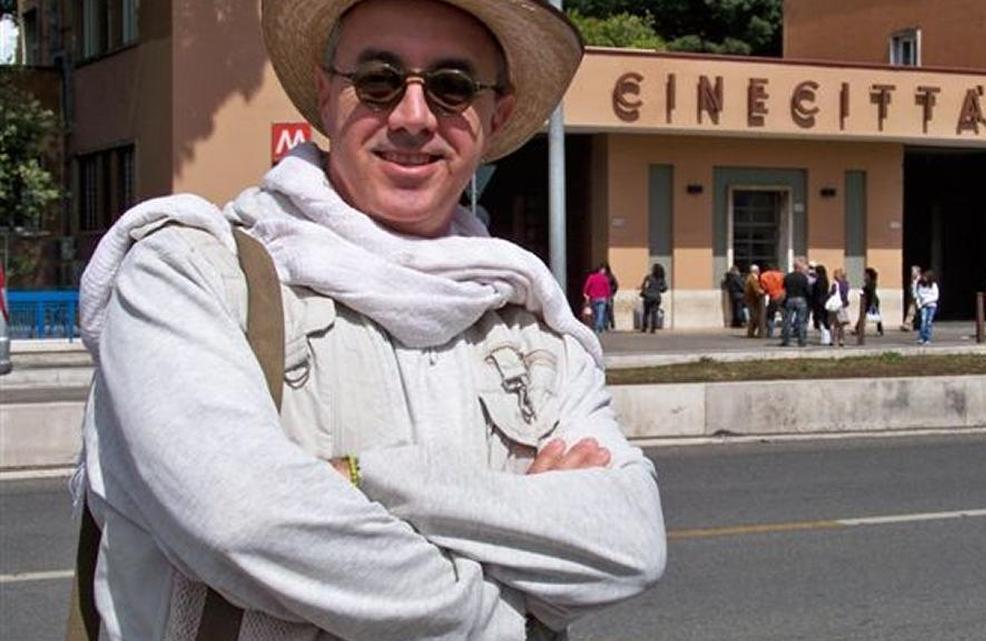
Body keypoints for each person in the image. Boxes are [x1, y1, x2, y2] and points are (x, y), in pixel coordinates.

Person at [71, 2, 666, 640]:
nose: (413, 117)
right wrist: (498, 618)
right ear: (326, 95)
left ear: (495, 115)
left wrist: (364, 479)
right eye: (378, 81)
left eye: (452, 87)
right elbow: (246, 518)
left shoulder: (532, 323)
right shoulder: (189, 273)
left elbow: (628, 542)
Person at [781, 257, 810, 347]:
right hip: (801, 299)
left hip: (790, 298)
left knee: (787, 321)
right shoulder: (803, 277)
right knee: (801, 321)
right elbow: (807, 290)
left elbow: (784, 288)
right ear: (800, 267)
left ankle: (786, 340)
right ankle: (801, 341)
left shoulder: (788, 277)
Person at [583, 264, 611, 334]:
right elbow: (608, 288)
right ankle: (598, 327)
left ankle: (597, 327)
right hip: (603, 298)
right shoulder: (605, 278)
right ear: (601, 270)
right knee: (600, 313)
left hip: (594, 298)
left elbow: (587, 286)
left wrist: (585, 293)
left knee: (595, 313)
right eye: (603, 270)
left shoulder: (591, 277)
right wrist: (608, 296)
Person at [640, 263, 668, 333]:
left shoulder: (648, 277)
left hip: (648, 297)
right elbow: (665, 288)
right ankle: (653, 329)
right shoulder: (661, 278)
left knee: (646, 313)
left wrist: (644, 292)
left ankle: (644, 327)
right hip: (656, 298)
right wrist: (659, 289)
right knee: (654, 313)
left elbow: (644, 286)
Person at [759, 263, 785, 338]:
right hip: (782, 296)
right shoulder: (782, 275)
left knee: (770, 315)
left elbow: (764, 288)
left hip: (773, 296)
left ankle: (770, 333)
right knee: (784, 316)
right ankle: (784, 332)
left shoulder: (764, 275)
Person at [916, 269, 940, 345]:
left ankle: (927, 338)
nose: (924, 278)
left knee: (929, 322)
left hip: (931, 305)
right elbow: (919, 295)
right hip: (923, 306)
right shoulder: (920, 285)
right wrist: (919, 303)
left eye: (926, 277)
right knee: (923, 321)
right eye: (924, 277)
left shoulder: (934, 285)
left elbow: (935, 297)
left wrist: (926, 300)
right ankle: (921, 337)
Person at [828, 267, 851, 347]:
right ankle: (841, 340)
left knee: (832, 323)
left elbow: (832, 294)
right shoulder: (846, 284)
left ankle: (832, 340)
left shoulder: (835, 284)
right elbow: (845, 295)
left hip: (834, 306)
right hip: (842, 305)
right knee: (841, 324)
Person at [811, 263, 831, 345]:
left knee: (820, 319)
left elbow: (816, 291)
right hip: (824, 301)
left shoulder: (818, 281)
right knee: (824, 319)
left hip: (818, 302)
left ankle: (825, 338)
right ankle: (826, 338)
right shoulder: (825, 279)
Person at [862, 267, 885, 336]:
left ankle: (880, 330)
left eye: (865, 274)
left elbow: (871, 292)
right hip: (868, 300)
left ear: (868, 274)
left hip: (873, 300)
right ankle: (858, 328)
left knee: (876, 315)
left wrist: (873, 303)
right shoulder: (867, 281)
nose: (864, 275)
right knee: (863, 314)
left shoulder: (872, 282)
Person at [743, 264, 764, 338]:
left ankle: (750, 333)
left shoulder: (753, 277)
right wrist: (760, 291)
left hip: (753, 299)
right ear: (755, 271)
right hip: (752, 300)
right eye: (758, 270)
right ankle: (752, 333)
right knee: (755, 317)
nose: (759, 271)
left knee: (753, 317)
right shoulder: (752, 278)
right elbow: (755, 287)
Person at [901, 264, 922, 331]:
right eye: (912, 271)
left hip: (919, 299)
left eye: (914, 271)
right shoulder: (912, 280)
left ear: (918, 272)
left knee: (918, 313)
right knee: (911, 312)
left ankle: (914, 325)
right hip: (913, 299)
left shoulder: (921, 280)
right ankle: (907, 325)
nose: (912, 273)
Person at [603, 262, 619, 331]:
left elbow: (616, 285)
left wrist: (612, 292)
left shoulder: (611, 276)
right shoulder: (602, 276)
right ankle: (606, 325)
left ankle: (612, 324)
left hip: (609, 295)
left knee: (609, 311)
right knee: (604, 311)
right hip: (603, 295)